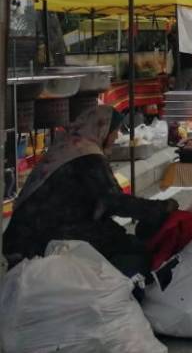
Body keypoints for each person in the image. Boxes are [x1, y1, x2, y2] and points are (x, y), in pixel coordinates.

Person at [5, 106, 177, 273]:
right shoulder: (86, 155)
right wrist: (159, 209)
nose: (116, 137)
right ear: (102, 129)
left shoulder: (67, 145)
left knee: (116, 235)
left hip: (28, 234)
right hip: (43, 238)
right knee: (134, 251)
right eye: (115, 131)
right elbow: (114, 201)